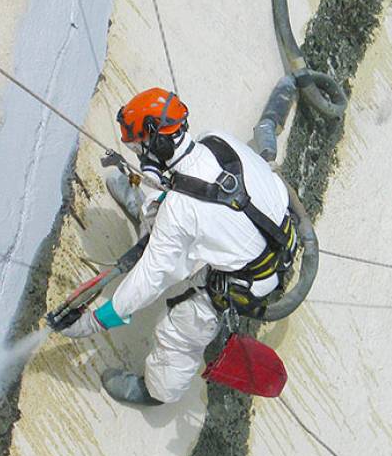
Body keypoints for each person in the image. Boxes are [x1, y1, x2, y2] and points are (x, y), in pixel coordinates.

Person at [60, 87, 296, 405]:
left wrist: (95, 320)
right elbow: (186, 183)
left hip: (248, 280)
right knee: (168, 210)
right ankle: (153, 234)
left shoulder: (181, 212)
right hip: (276, 234)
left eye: (139, 147)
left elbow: (148, 280)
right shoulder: (216, 139)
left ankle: (158, 392)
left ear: (156, 142)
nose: (138, 155)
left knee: (179, 331)